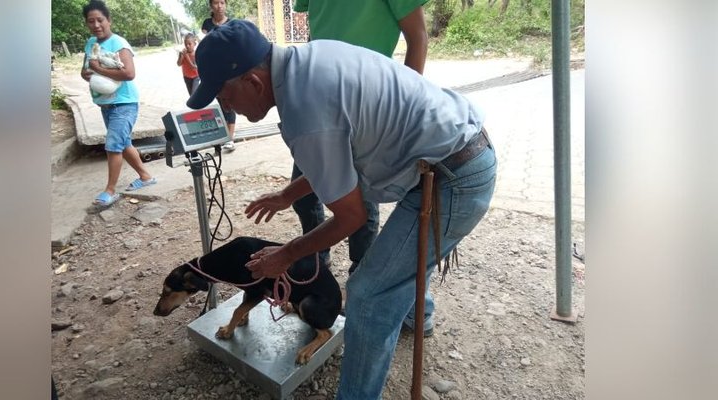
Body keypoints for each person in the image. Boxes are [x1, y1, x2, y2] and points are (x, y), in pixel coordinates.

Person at [186, 20, 496, 400]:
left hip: (453, 176)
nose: (225, 106)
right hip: (450, 155)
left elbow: (352, 217)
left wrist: (285, 255)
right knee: (394, 276)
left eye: (224, 94)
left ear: (253, 81)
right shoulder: (306, 61)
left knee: (367, 295)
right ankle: (409, 312)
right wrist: (288, 195)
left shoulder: (304, 111)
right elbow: (336, 156)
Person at [292, 0, 432, 336]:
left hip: (368, 104)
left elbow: (418, 37)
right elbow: (317, 30)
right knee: (303, 194)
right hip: (319, 99)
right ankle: (315, 269)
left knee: (361, 203)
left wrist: (402, 104)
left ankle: (369, 286)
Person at [80, 0, 156, 207]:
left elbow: (129, 73)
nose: (96, 25)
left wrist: (97, 69)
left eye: (100, 20)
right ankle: (146, 176)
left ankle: (110, 190)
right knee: (123, 143)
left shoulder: (119, 43)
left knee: (113, 145)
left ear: (108, 20)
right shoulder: (90, 43)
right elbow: (84, 70)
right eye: (91, 21)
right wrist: (89, 72)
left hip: (125, 103)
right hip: (105, 104)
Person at [200, 0, 236, 152]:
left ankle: (230, 138)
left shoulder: (232, 23)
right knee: (220, 103)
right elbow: (204, 44)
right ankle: (223, 135)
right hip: (212, 69)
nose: (219, 6)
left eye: (222, 2)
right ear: (211, 6)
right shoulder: (207, 24)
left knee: (230, 102)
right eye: (216, 3)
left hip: (229, 69)